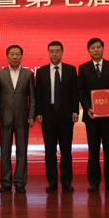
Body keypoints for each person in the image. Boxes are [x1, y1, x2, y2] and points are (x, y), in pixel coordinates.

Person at [77, 38, 109, 193]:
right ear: (88, 51)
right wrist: (87, 108)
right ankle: (94, 182)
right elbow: (81, 90)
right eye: (93, 48)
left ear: (103, 49)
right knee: (93, 149)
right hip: (92, 116)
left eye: (98, 47)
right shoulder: (83, 68)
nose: (96, 50)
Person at [35, 41, 79, 192]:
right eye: (52, 51)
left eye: (57, 51)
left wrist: (75, 111)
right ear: (48, 53)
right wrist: (39, 112)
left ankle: (66, 182)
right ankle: (52, 182)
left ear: (62, 52)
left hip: (66, 116)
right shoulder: (41, 71)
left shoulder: (70, 70)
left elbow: (74, 93)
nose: (54, 54)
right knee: (50, 151)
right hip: (48, 116)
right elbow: (38, 95)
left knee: (66, 151)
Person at [0, 45, 36, 194]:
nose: (15, 57)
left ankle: (20, 182)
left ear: (21, 56)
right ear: (7, 56)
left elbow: (32, 98)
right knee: (4, 152)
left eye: (17, 54)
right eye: (12, 54)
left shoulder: (28, 74)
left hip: (22, 118)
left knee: (22, 152)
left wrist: (31, 116)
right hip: (4, 118)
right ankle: (5, 182)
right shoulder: (0, 74)